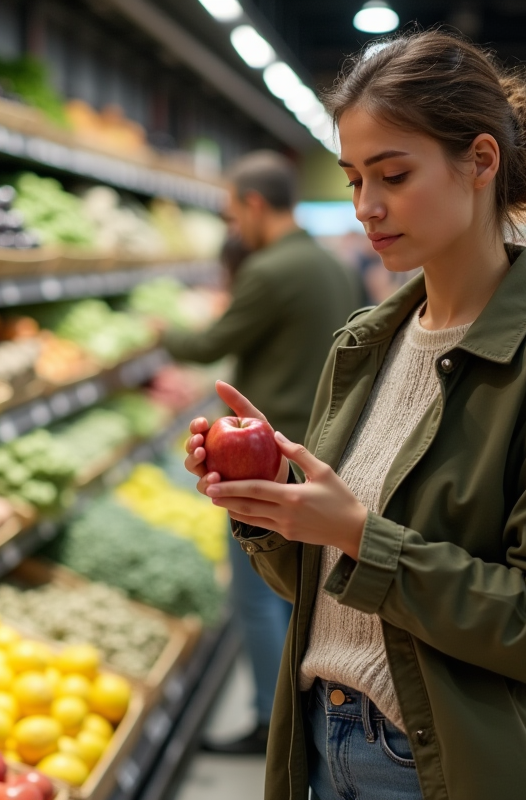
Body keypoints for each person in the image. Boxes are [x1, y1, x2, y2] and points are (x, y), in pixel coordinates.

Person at [183, 30, 526, 800]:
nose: (366, 206)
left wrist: (359, 534)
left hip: (438, 768)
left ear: (481, 162)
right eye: (355, 178)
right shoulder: (364, 346)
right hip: (320, 747)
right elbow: (326, 589)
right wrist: (266, 510)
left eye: (393, 174)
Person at [161, 150, 361, 755]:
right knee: (301, 590)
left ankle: (272, 724)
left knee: (255, 592)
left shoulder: (267, 270)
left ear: (252, 205)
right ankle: (301, 712)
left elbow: (210, 344)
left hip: (266, 457)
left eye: (230, 214)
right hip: (319, 446)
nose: (231, 228)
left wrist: (160, 330)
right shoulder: (328, 265)